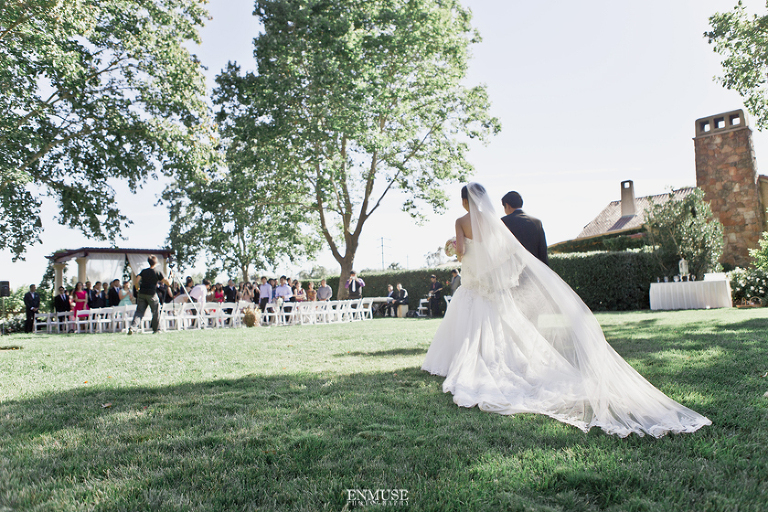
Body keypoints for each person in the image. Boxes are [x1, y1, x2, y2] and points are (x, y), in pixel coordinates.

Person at [422, 183, 711, 438]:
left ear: (464, 201)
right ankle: (500, 361)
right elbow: (508, 252)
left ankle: (468, 362)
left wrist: (451, 245)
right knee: (501, 325)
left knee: (473, 321)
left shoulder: (461, 220)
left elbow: (460, 250)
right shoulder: (495, 222)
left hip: (473, 281)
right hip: (491, 283)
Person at [500, 190, 549, 266]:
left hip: (513, 268)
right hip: (535, 269)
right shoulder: (536, 222)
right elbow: (542, 251)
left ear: (507, 205)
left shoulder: (503, 222)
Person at [128, 255, 171, 335]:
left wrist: (138, 288)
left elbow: (137, 281)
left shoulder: (144, 271)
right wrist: (171, 278)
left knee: (139, 312)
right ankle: (156, 329)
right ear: (156, 262)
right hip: (151, 294)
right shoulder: (157, 271)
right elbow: (167, 283)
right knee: (155, 311)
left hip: (142, 293)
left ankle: (133, 328)